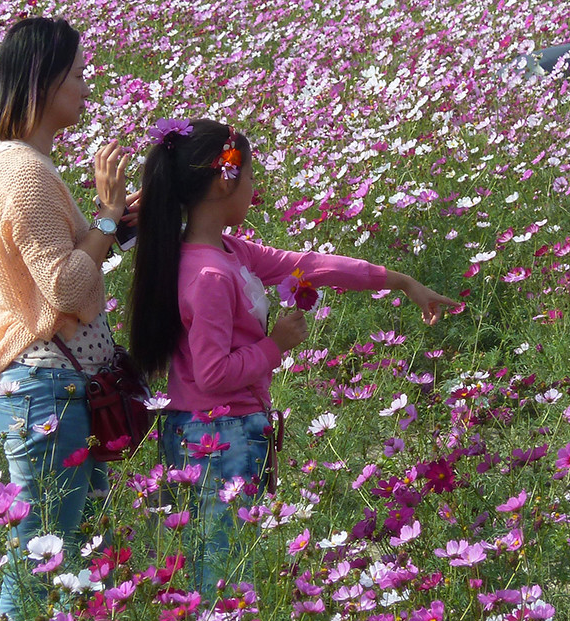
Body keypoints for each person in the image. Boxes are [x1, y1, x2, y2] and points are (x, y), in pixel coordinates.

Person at [127, 119, 457, 594]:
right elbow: (213, 374)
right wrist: (275, 344)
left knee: (222, 564)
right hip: (217, 437)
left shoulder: (222, 251)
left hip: (217, 431)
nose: (256, 189)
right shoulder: (210, 275)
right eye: (252, 177)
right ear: (225, 179)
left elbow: (311, 265)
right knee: (225, 575)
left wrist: (401, 281)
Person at [0, 17, 134, 621]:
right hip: (43, 391)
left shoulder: (28, 166)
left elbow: (76, 266)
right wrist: (102, 219)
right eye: (74, 75)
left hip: (54, 390)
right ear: (41, 83)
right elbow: (67, 285)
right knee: (39, 556)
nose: (85, 85)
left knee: (58, 553)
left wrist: (116, 221)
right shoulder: (24, 171)